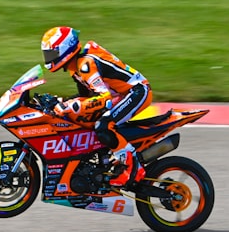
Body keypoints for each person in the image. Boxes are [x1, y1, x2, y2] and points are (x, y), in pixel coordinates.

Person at [40, 26, 152, 188]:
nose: (49, 58)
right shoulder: (76, 69)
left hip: (137, 92)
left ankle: (133, 167)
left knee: (103, 126)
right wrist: (60, 103)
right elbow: (87, 98)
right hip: (122, 95)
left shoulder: (86, 64)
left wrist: (72, 106)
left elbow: (103, 97)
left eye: (51, 54)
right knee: (87, 121)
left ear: (65, 49)